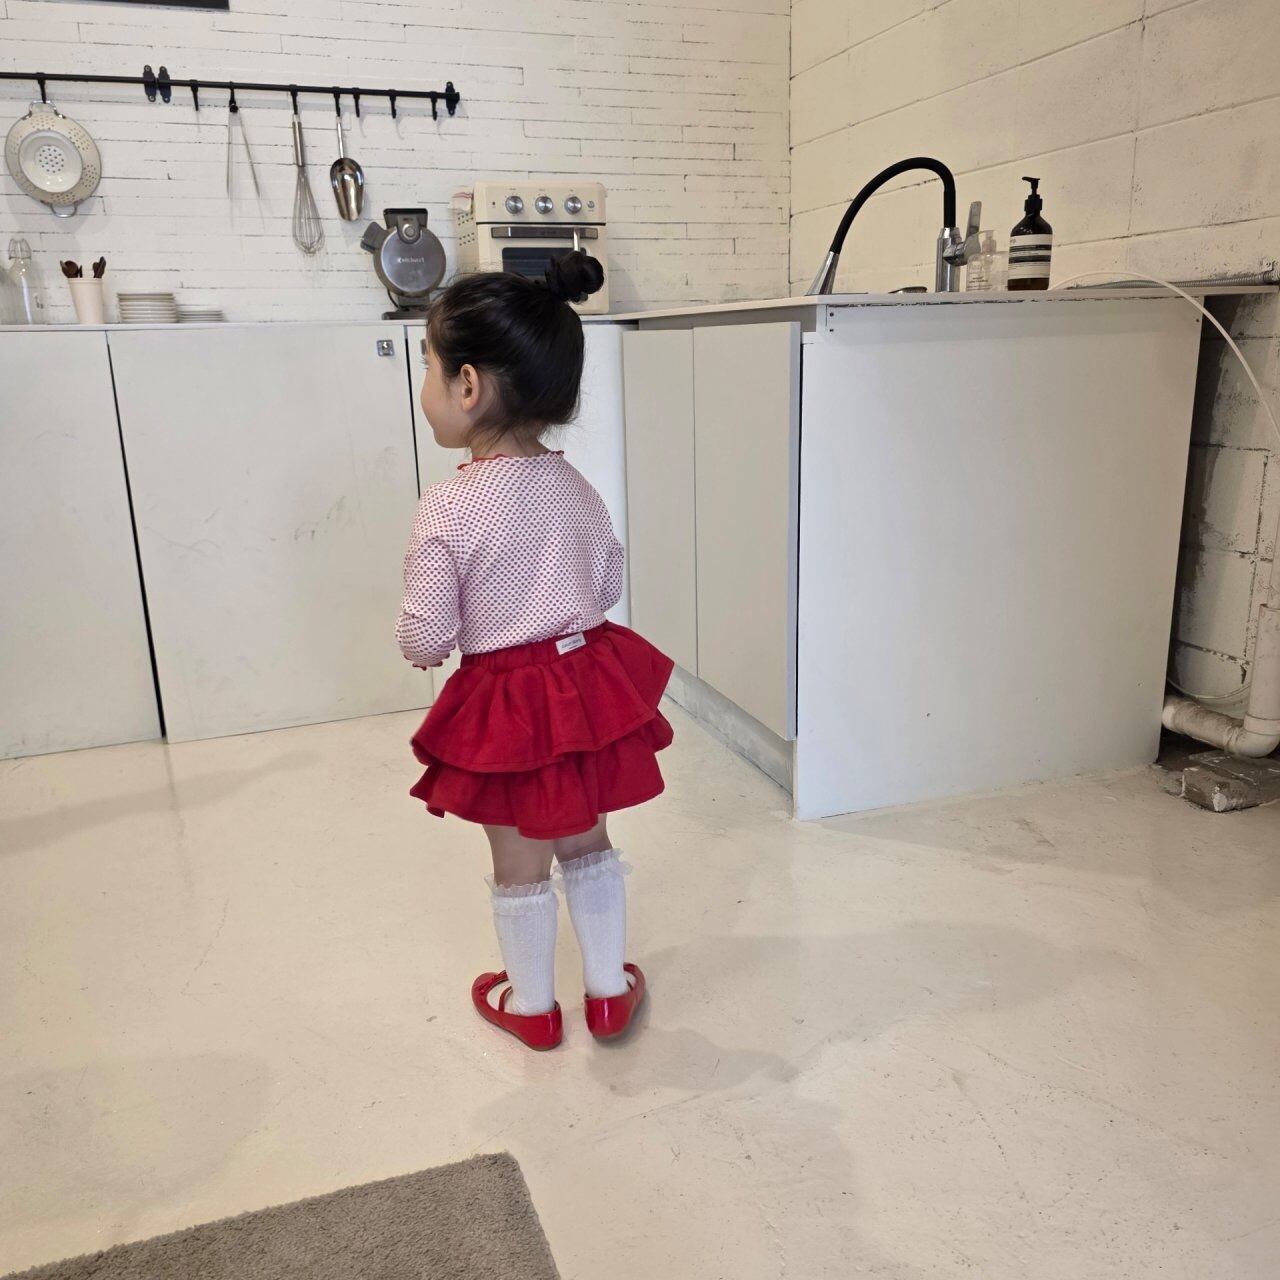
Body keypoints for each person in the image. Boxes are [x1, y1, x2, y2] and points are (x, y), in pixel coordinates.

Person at [396, 252, 673, 1051]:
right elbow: (607, 577)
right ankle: (609, 992)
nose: (425, 387)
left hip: (508, 705)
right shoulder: (574, 486)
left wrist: (422, 648)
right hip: (585, 688)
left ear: (468, 385)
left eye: (428, 368)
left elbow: (427, 632)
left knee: (520, 862)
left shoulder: (447, 507)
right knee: (588, 844)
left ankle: (532, 1006)